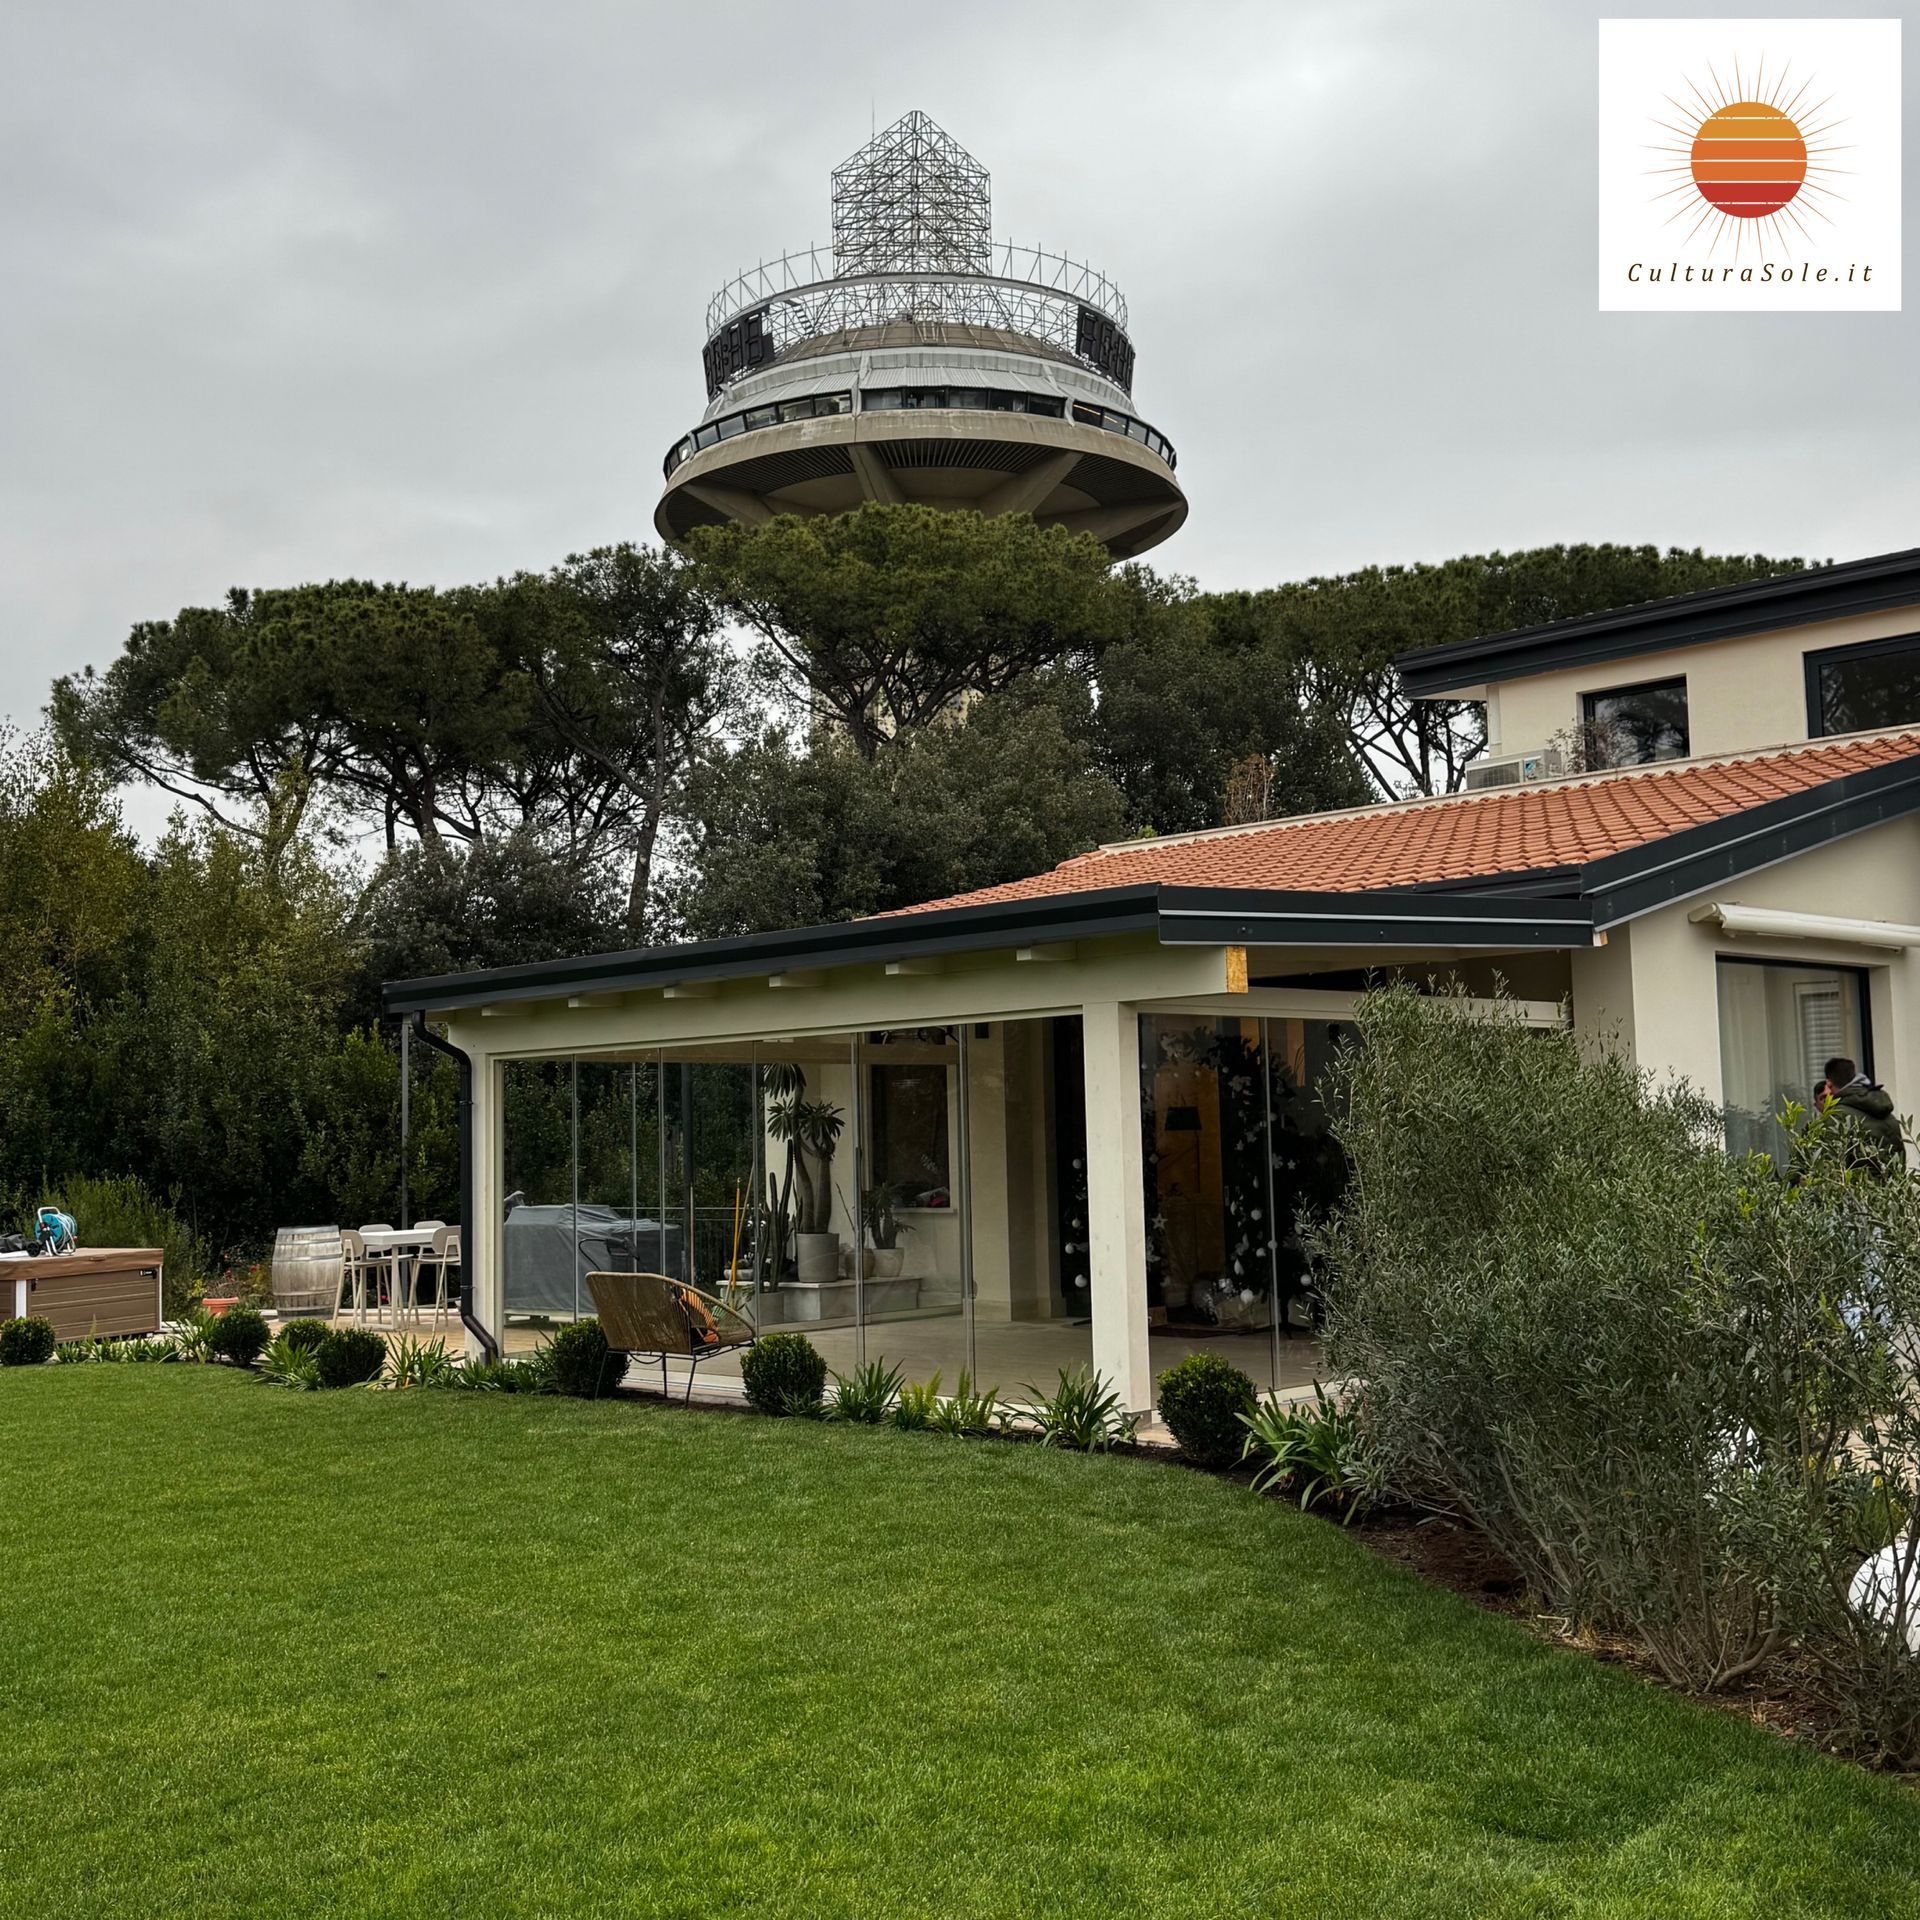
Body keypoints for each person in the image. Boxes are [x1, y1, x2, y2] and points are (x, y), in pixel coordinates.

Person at [1821, 1056, 1906, 1174]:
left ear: (1829, 1084)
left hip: (1861, 1189)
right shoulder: (1882, 1108)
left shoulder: (1837, 1115)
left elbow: (1832, 1167)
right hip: (1894, 1188)